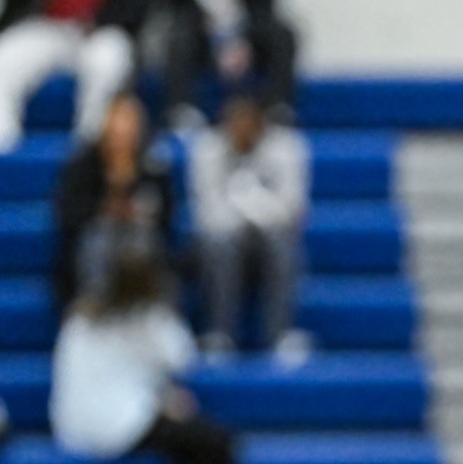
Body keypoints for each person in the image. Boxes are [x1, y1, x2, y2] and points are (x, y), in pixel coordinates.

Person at [51, 241, 235, 464]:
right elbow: (184, 358)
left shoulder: (78, 320)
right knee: (215, 444)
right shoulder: (151, 319)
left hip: (71, 427)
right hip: (120, 426)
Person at [189, 93, 311, 361]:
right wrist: (254, 208)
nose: (241, 135)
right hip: (223, 240)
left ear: (261, 128)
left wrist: (247, 202)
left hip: (269, 236)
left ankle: (279, 334)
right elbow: (207, 214)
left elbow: (292, 209)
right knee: (221, 242)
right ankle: (221, 333)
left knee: (281, 239)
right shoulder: (208, 148)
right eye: (235, 129)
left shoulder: (287, 148)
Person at [0, 0, 148, 154]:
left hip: (105, 30)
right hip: (50, 25)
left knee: (109, 59)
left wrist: (107, 20)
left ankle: (89, 156)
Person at [53, 93, 177, 313]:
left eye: (130, 123)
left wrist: (137, 209)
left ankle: (152, 312)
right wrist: (105, 208)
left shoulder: (153, 165)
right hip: (94, 240)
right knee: (98, 241)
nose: (123, 132)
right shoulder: (83, 165)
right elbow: (67, 214)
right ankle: (92, 310)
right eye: (119, 122)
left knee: (144, 243)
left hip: (140, 237)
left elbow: (166, 215)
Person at [159, 0, 301, 131]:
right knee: (178, 40)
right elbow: (178, 8)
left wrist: (243, 38)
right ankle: (184, 109)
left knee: (283, 37)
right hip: (201, 34)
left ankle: (275, 107)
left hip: (250, 35)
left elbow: (263, 9)